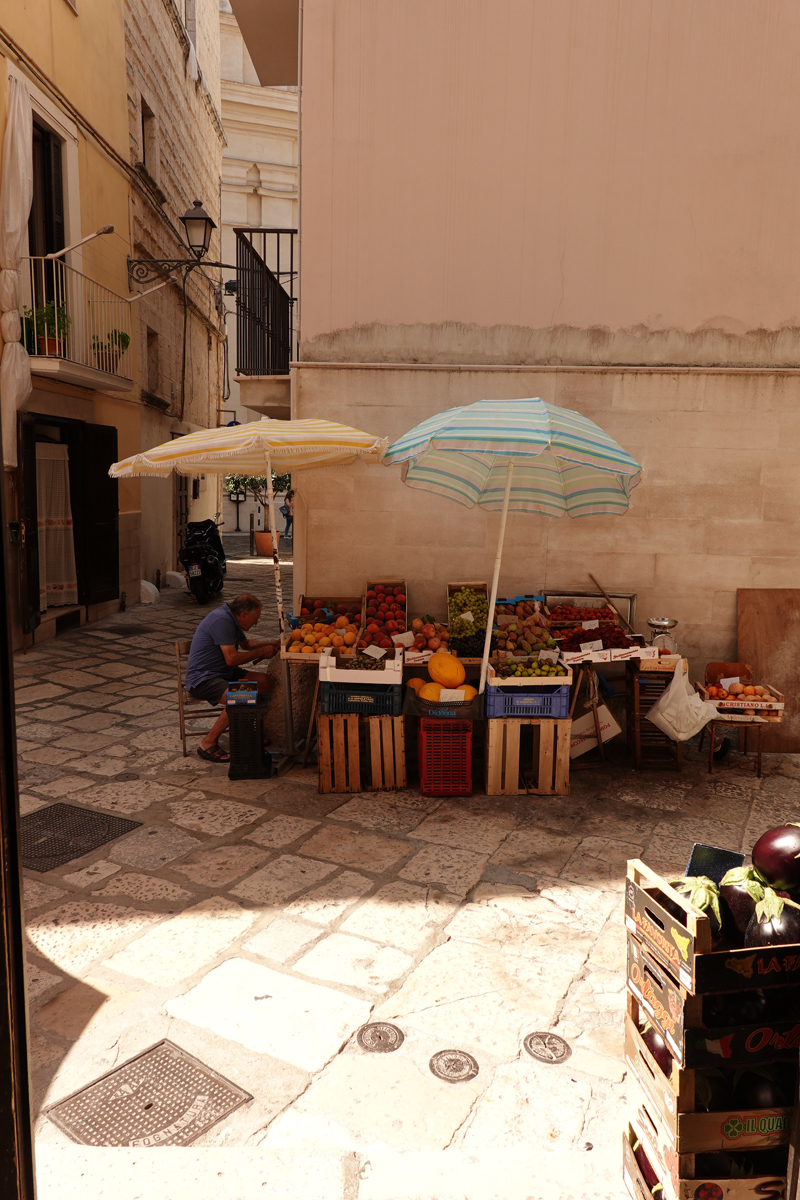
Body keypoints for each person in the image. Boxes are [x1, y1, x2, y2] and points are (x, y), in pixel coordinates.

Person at [184, 593, 279, 763]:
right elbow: (232, 658)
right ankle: (208, 742)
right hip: (204, 678)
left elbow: (246, 644)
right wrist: (261, 652)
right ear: (243, 615)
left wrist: (272, 643)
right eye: (255, 618)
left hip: (224, 672)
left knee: (264, 681)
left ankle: (248, 729)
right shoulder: (221, 620)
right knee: (242, 696)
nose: (256, 623)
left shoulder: (231, 618)